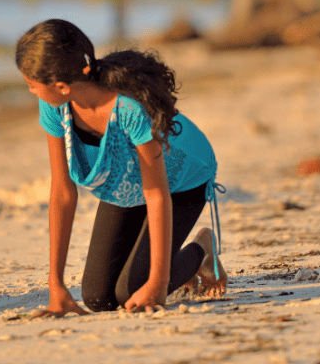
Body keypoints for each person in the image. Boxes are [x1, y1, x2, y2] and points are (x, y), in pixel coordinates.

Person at [15, 19, 227, 316]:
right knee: (98, 299)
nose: (31, 92)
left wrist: (159, 282)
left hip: (179, 183)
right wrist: (56, 285)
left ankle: (202, 250)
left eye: (32, 86)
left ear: (61, 86)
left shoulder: (129, 110)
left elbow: (157, 193)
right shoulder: (55, 107)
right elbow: (63, 192)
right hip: (128, 188)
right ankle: (167, 266)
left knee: (133, 290)